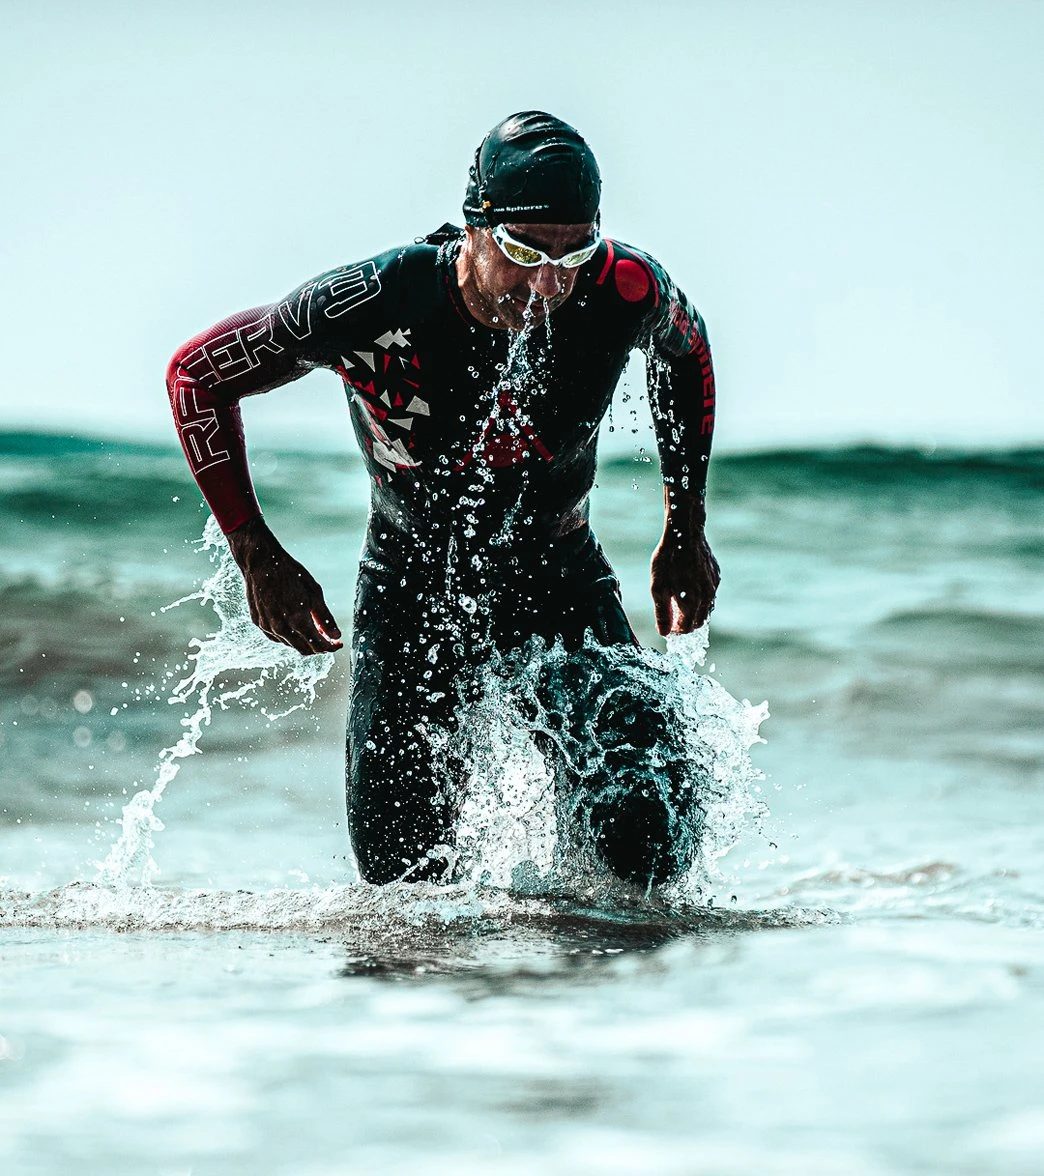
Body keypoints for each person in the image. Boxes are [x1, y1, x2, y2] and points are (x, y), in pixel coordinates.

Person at [166, 111, 720, 889]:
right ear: (475, 228)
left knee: (647, 825)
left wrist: (685, 526)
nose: (550, 282)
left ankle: (590, 957)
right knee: (402, 889)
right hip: (412, 588)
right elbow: (197, 374)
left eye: (574, 251)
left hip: (559, 579)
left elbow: (687, 352)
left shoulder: (623, 287)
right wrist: (255, 551)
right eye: (526, 251)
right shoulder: (372, 300)